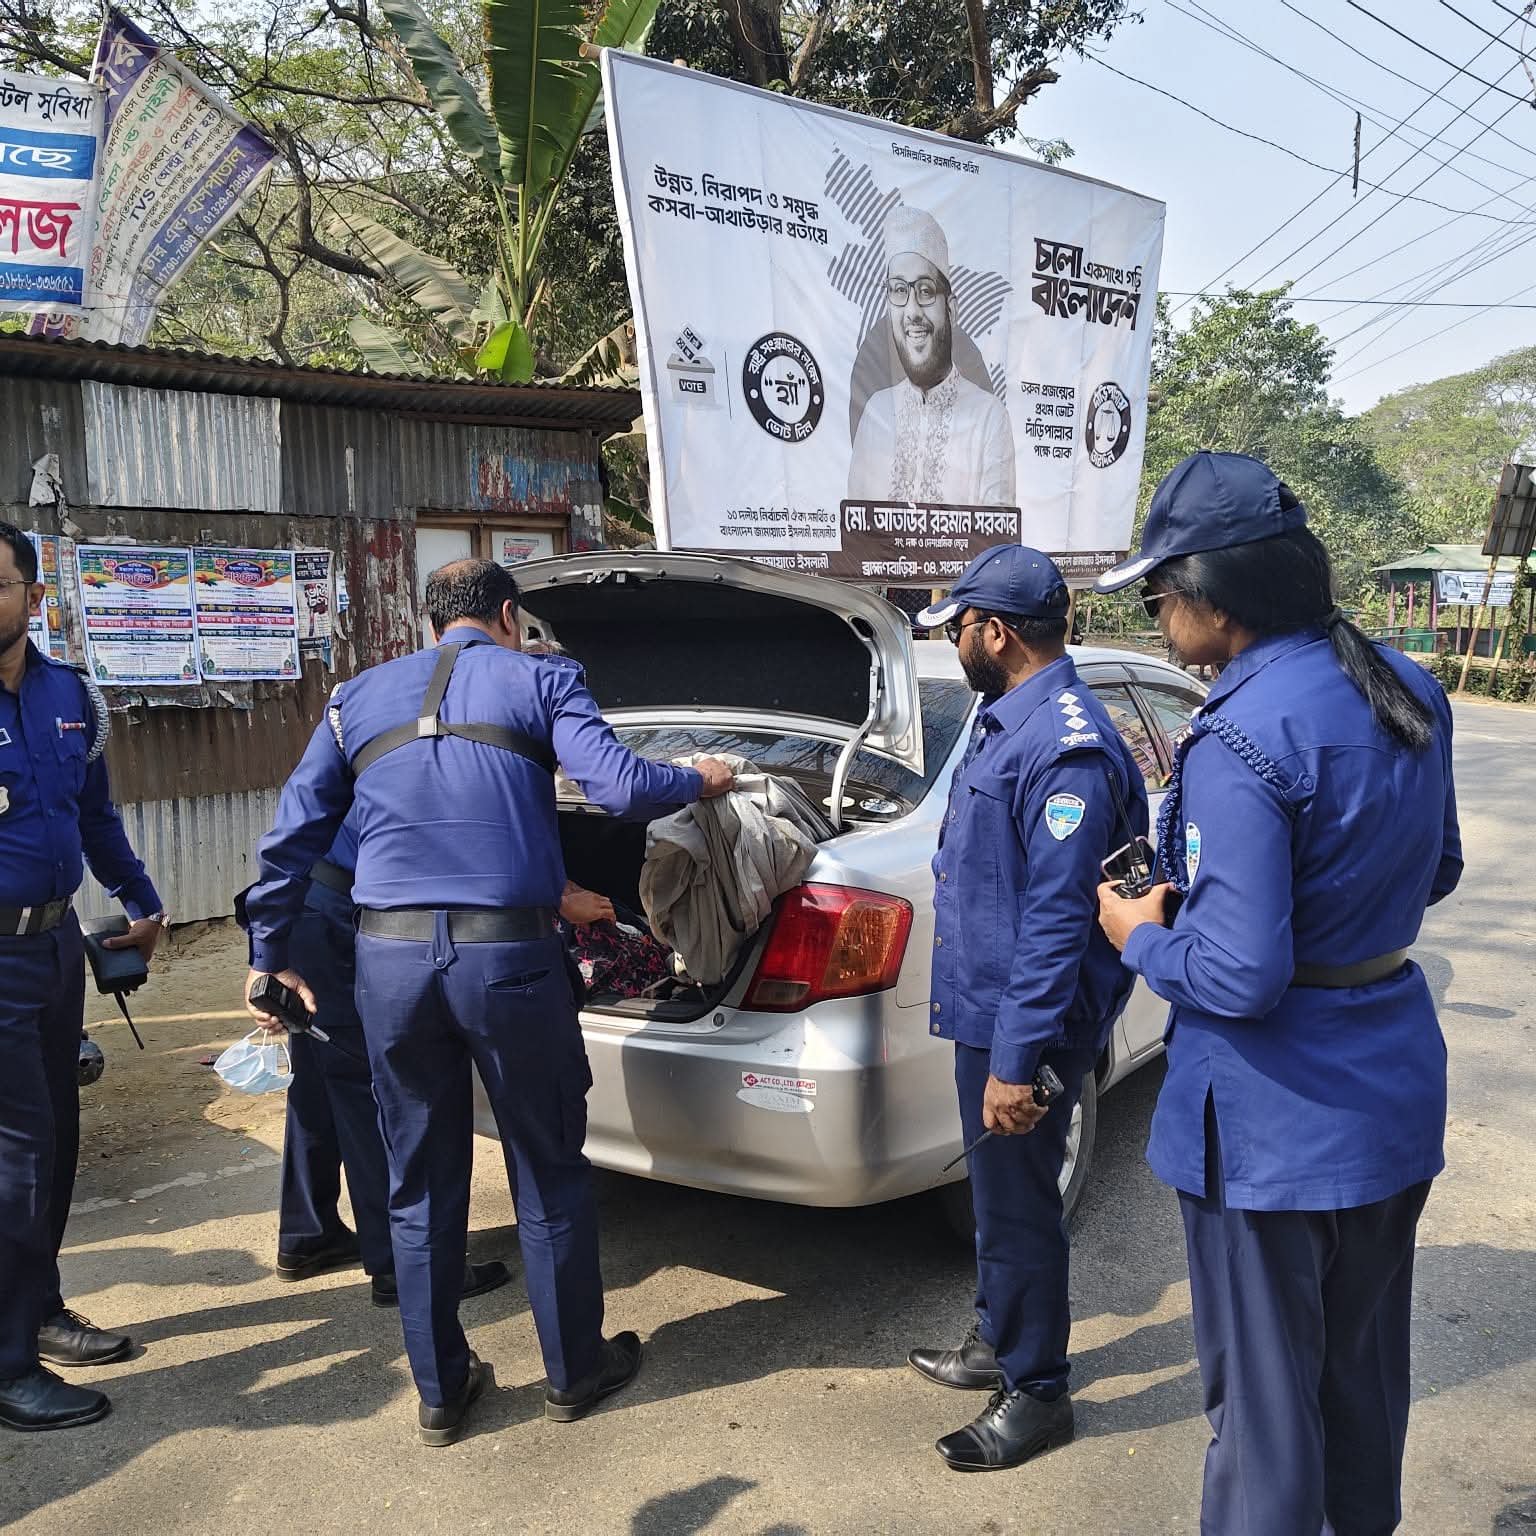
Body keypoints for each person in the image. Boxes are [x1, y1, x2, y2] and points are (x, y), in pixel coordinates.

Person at [242, 558, 734, 1446]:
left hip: (386, 964)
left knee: (419, 1177)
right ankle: (574, 1372)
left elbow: (293, 834)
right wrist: (696, 778)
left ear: (433, 622)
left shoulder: (356, 697)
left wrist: (267, 955)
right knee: (546, 1166)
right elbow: (618, 787)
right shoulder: (543, 676)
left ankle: (442, 1391)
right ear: (509, 616)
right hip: (507, 959)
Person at [1093, 452, 1462, 1536]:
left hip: (1272, 1120)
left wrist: (1141, 935)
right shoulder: (1404, 683)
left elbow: (1239, 976)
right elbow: (1434, 871)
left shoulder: (1242, 733)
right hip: (1388, 1087)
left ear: (1215, 595)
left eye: (1161, 596)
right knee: (1359, 1372)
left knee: (1262, 1412)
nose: (1161, 619)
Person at [908, 545, 1148, 1472]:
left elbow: (1055, 921)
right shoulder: (1005, 717)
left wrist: (1017, 1061)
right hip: (990, 1008)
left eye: (959, 627)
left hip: (1027, 1022)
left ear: (995, 632)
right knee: (995, 1197)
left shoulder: (1066, 743)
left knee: (1020, 1208)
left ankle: (1038, 1390)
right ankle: (995, 1340)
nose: (956, 642)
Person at [0, 520, 165, 1432]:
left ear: (31, 595)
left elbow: (95, 818)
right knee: (16, 1156)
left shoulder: (71, 695)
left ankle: (40, 1307)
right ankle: (8, 1360)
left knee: (55, 1142)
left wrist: (141, 896)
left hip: (57, 947)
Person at [259, 814, 511, 1308]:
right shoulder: (446, 752)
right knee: (366, 1090)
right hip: (341, 915)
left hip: (306, 903)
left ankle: (309, 1233)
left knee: (319, 1079)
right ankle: (399, 1264)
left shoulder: (348, 739)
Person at [847, 205, 1016, 508]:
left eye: (925, 291)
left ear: (951, 310)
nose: (912, 312)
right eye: (899, 290)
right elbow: (856, 536)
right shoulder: (875, 414)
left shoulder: (989, 418)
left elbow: (996, 545)